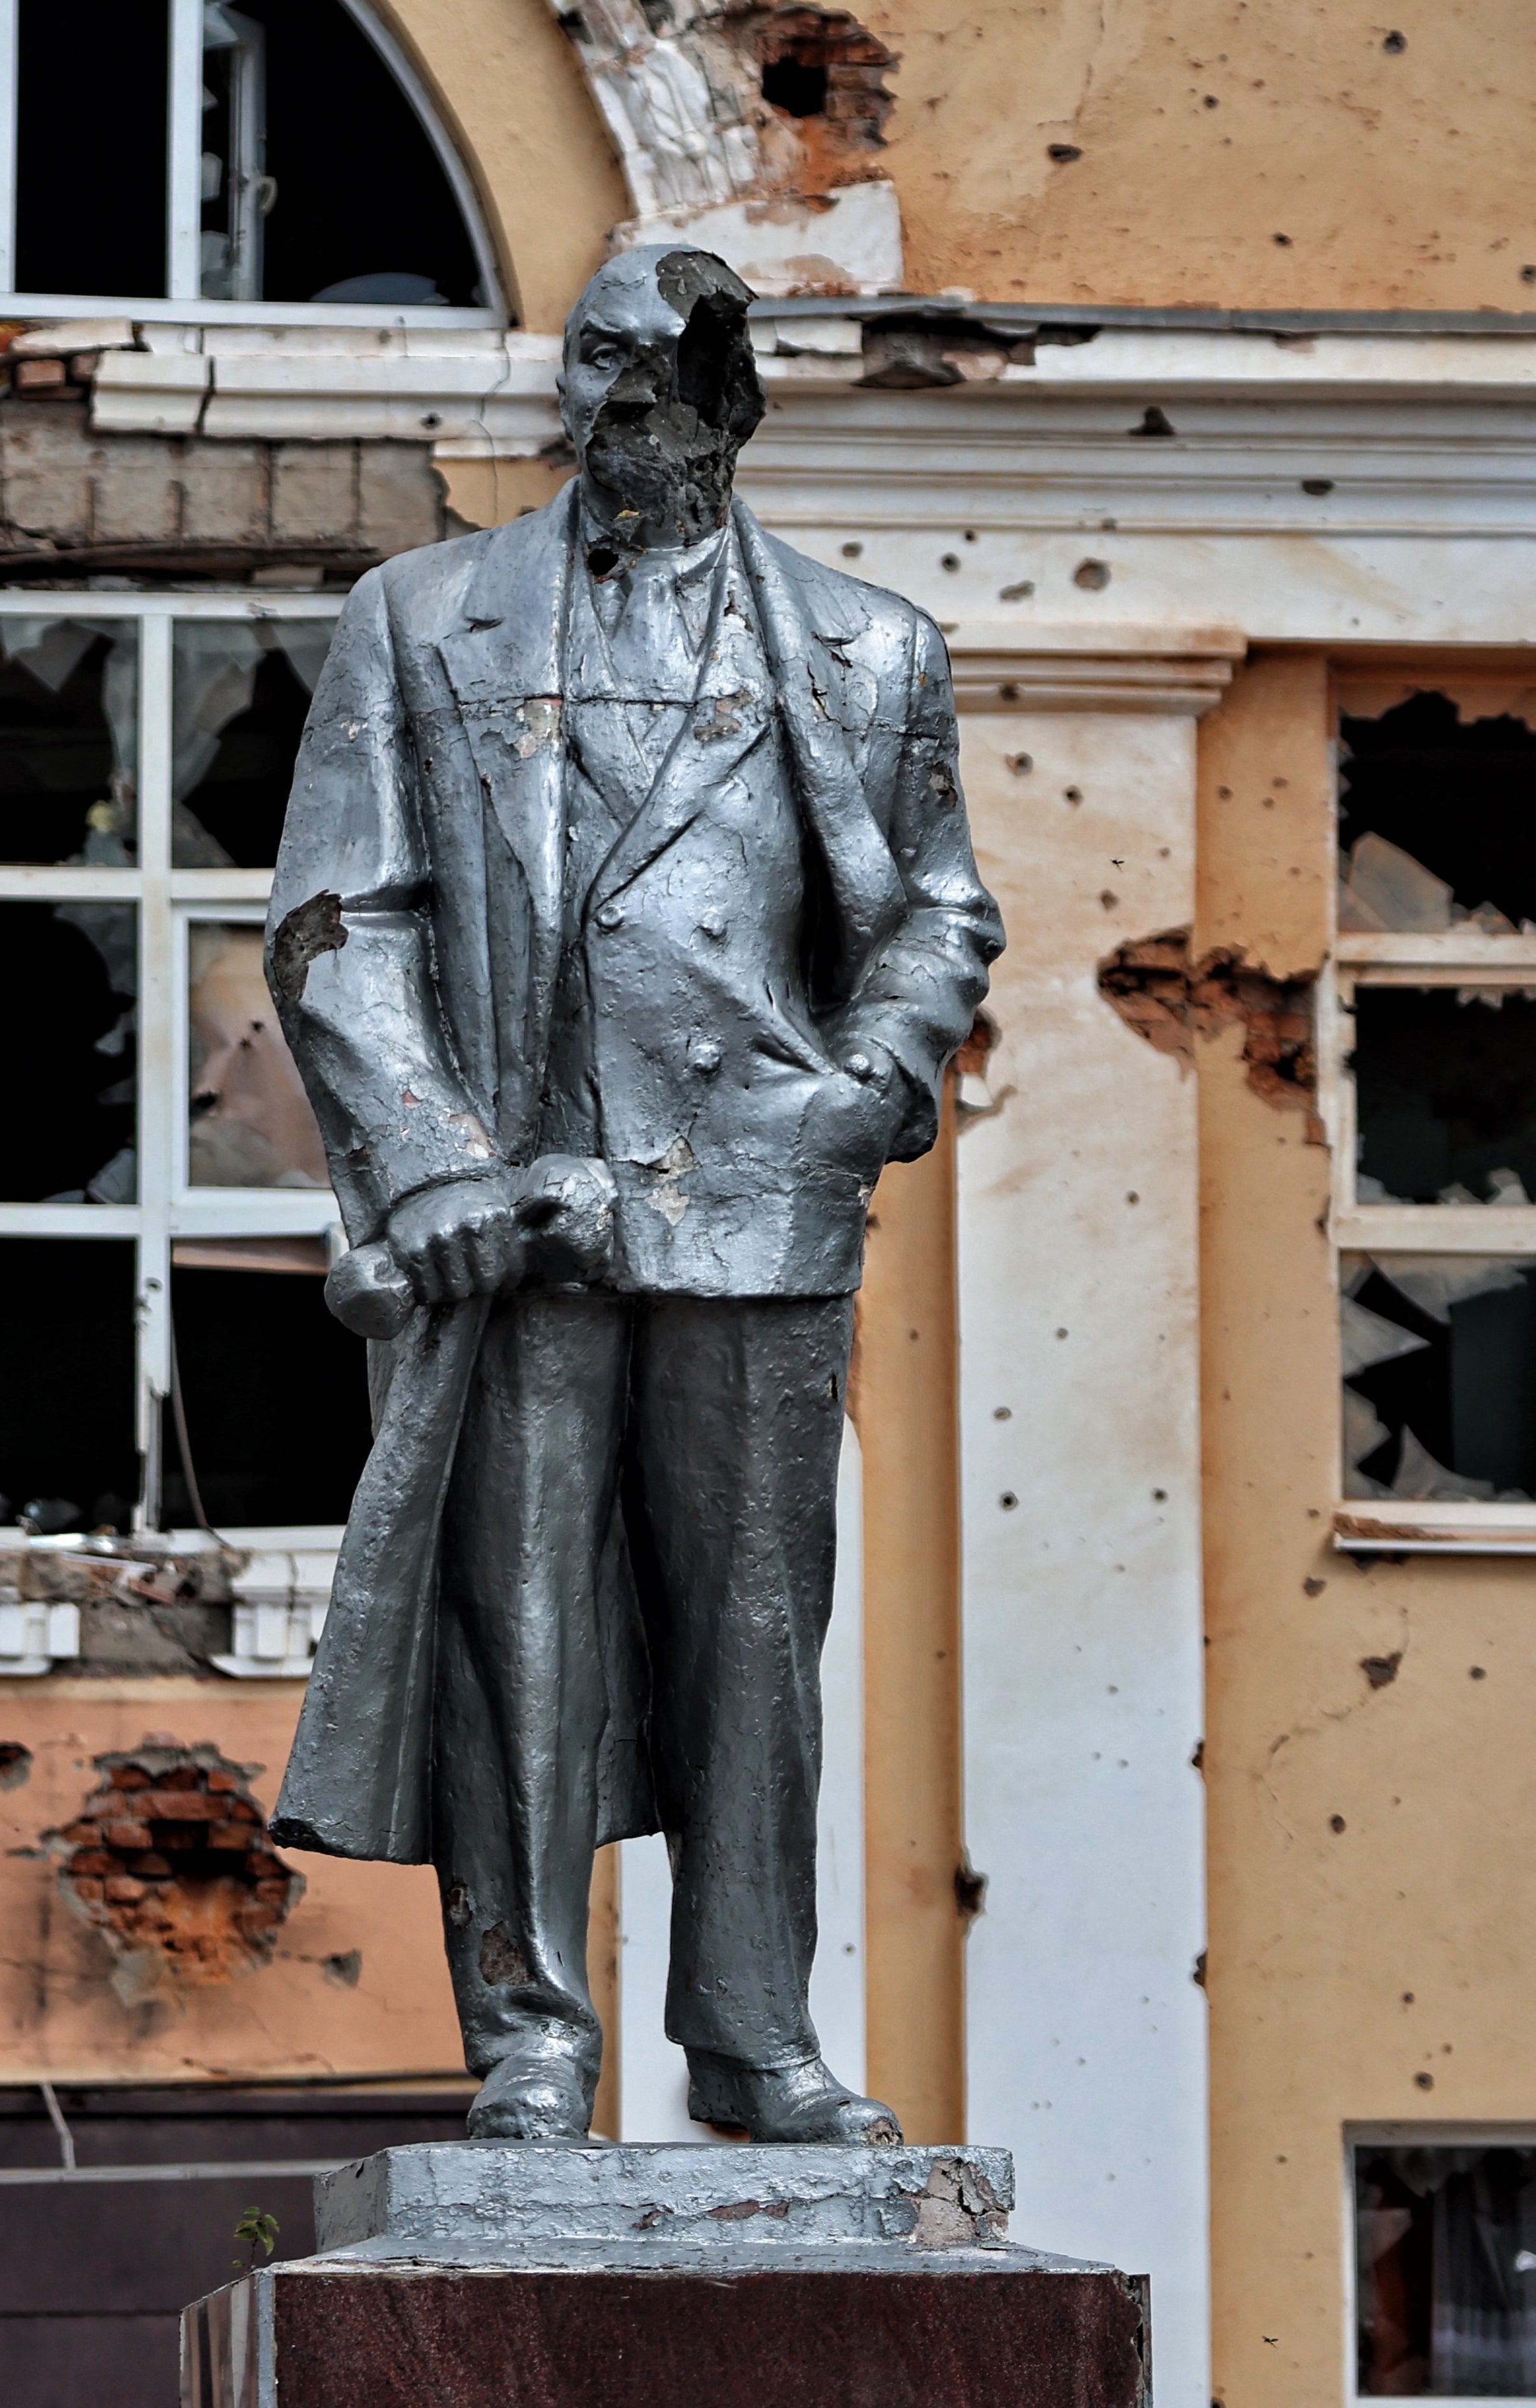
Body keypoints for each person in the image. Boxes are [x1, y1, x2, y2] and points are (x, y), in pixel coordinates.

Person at [261, 245, 1002, 2142]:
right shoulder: (422, 618)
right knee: (516, 1632)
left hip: (760, 1207)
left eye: (664, 384)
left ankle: (751, 2035)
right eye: (595, 372)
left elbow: (933, 908)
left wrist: (866, 1088)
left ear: (736, 406)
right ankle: (527, 2035)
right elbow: (342, 917)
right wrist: (421, 1160)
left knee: (753, 1638)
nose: (621, 415)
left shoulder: (864, 645)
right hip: (516, 1214)